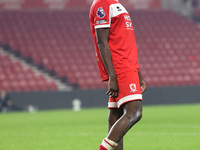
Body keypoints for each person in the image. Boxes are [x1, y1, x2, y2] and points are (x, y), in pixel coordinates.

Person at [89, 0, 147, 150]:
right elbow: (102, 41)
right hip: (121, 67)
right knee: (135, 113)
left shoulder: (116, 4)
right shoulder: (102, 3)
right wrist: (112, 76)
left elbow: (125, 41)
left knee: (115, 115)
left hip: (128, 66)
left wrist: (137, 72)